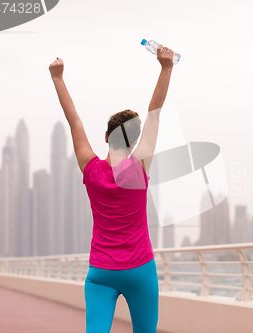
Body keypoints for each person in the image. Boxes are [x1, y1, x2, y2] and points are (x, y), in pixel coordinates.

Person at [48, 44, 175, 333]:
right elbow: (154, 114)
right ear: (133, 143)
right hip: (140, 269)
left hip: (101, 272)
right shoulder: (139, 168)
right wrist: (166, 68)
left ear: (106, 136)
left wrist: (58, 78)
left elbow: (74, 120)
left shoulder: (91, 170)